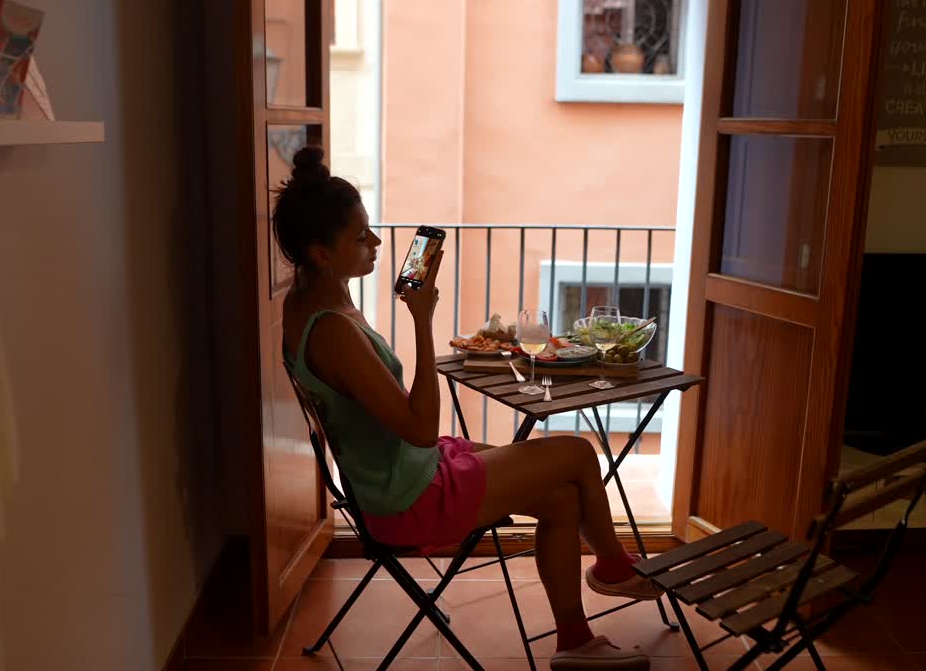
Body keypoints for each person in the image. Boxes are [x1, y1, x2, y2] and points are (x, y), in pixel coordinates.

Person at [277, 147, 661, 671]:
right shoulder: (334, 330)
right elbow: (418, 428)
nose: (377, 241)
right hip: (408, 497)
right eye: (360, 235)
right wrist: (421, 320)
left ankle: (575, 641)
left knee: (561, 496)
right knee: (576, 454)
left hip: (396, 477)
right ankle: (613, 569)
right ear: (322, 253)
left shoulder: (308, 301)